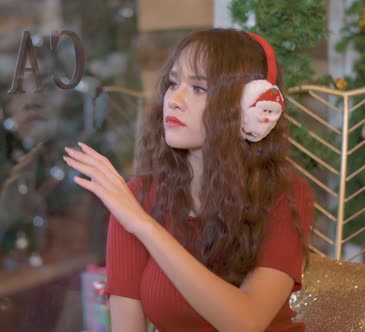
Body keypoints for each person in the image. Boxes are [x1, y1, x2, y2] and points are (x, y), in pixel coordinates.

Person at [63, 28, 314, 332]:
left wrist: (145, 227)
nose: (174, 100)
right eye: (173, 83)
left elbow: (246, 323)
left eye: (198, 88)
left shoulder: (283, 194)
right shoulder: (138, 198)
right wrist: (136, 217)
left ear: (252, 108)